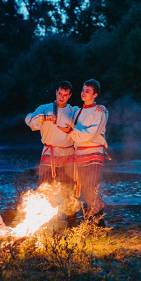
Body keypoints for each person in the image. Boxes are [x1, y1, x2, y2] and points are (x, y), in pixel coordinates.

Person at [25, 80, 79, 226]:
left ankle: (72, 224)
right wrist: (44, 118)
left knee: (69, 190)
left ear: (70, 96)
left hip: (68, 154)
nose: (61, 97)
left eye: (65, 95)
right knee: (44, 188)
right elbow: (29, 120)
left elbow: (87, 119)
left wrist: (99, 109)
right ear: (56, 92)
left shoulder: (74, 111)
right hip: (49, 153)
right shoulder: (45, 108)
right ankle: (42, 224)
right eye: (60, 94)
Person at [58, 79, 109, 227]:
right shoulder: (78, 111)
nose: (83, 93)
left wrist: (70, 131)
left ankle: (98, 225)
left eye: (87, 91)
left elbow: (89, 135)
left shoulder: (100, 111)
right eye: (82, 90)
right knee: (85, 191)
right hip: (79, 156)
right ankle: (92, 224)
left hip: (93, 154)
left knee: (92, 188)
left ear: (95, 94)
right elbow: (64, 112)